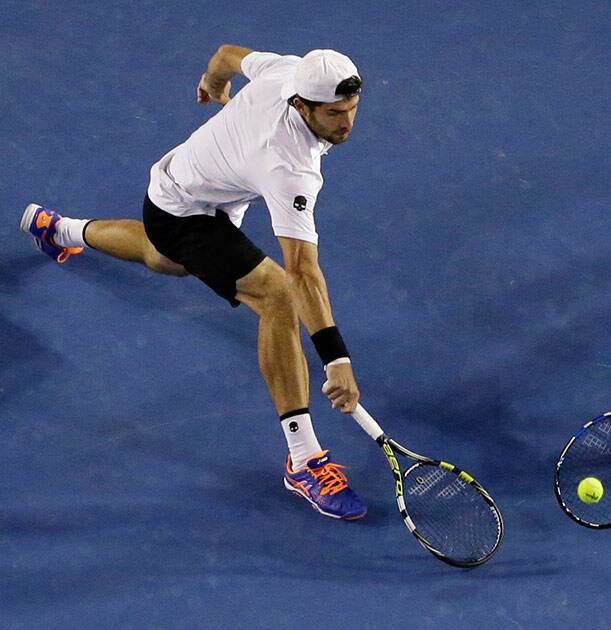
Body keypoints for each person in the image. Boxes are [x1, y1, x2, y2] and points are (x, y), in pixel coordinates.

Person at [20, 45, 370, 519]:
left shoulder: (289, 71)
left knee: (163, 259)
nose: (346, 124)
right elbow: (303, 271)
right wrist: (336, 358)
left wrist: (214, 84)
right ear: (301, 105)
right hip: (184, 209)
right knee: (278, 295)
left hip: (196, 185)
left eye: (351, 109)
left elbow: (227, 54)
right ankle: (304, 459)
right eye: (334, 114)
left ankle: (56, 227)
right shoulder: (289, 167)